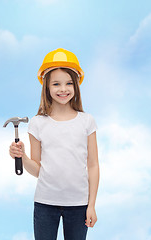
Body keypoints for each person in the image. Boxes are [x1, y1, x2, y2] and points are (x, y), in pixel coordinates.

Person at [9, 48, 100, 240]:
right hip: (45, 204)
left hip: (79, 204)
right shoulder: (38, 123)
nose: (63, 89)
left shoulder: (87, 121)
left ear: (76, 86)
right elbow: (37, 170)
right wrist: (22, 157)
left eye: (68, 83)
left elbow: (93, 165)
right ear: (47, 87)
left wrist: (91, 205)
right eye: (56, 84)